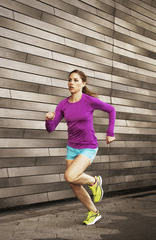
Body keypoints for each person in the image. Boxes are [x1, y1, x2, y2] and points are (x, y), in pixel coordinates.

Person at [45, 69, 116, 225]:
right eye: (70, 80)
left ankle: (94, 182)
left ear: (83, 84)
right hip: (72, 147)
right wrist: (49, 119)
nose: (72, 83)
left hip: (88, 146)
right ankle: (94, 212)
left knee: (70, 176)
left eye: (76, 80)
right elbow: (51, 129)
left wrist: (110, 132)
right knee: (74, 183)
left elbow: (111, 110)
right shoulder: (63, 104)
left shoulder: (88, 100)